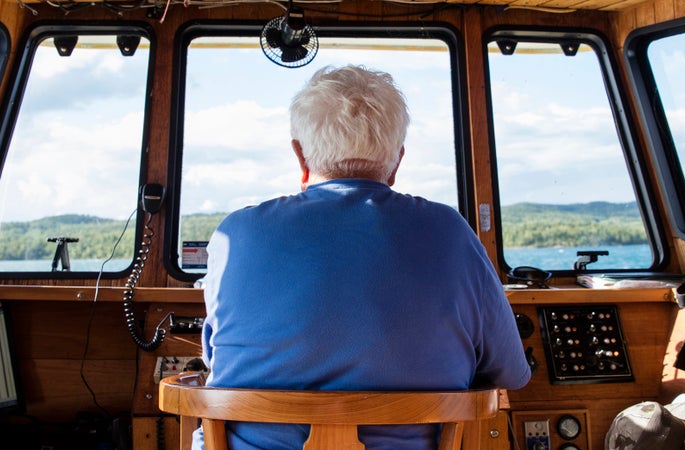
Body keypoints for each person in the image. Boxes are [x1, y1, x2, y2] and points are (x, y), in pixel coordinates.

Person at [196, 64, 531, 450]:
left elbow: (215, 356)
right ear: (397, 160)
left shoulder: (234, 234)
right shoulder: (451, 231)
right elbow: (510, 372)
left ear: (300, 156)